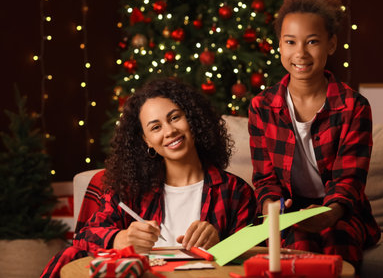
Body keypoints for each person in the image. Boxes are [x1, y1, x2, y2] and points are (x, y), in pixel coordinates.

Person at [41, 78, 257, 277]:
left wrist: (220, 244)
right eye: (156, 127)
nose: (170, 131)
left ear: (192, 120)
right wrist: (119, 239)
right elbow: (84, 238)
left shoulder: (236, 191)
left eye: (175, 117)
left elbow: (255, 257)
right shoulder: (130, 190)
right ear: (146, 141)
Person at [248, 0, 380, 273]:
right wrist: (274, 210)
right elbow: (265, 179)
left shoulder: (354, 106)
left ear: (331, 45)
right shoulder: (262, 106)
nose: (301, 53)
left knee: (335, 239)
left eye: (312, 42)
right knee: (297, 241)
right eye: (291, 42)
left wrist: (327, 214)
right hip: (289, 212)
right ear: (280, 46)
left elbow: (349, 182)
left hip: (340, 211)